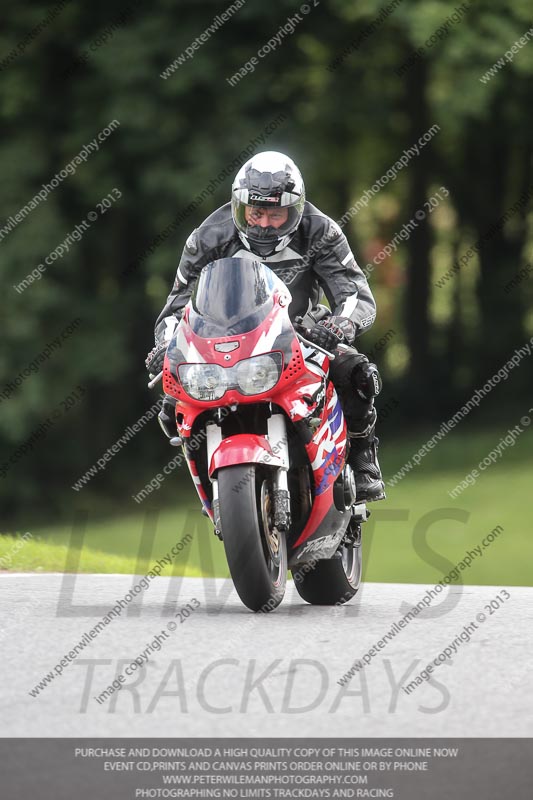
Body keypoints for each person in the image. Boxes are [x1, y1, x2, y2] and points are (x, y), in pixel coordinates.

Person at [146, 151, 385, 502]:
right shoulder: (208, 237)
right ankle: (210, 473)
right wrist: (167, 345)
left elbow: (354, 293)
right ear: (239, 206)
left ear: (296, 209)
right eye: (255, 212)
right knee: (171, 402)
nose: (263, 223)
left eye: (276, 214)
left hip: (301, 333)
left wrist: (340, 326)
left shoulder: (321, 231)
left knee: (356, 372)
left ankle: (364, 458)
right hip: (223, 344)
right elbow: (175, 306)